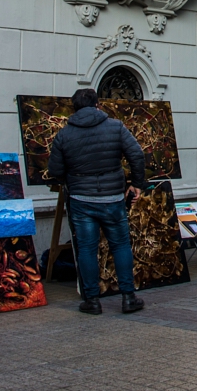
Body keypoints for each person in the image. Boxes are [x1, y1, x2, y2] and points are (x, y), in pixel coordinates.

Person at [47, 88, 146, 314]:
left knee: (87, 249)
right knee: (120, 245)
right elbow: (137, 155)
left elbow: (55, 169)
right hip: (112, 198)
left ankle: (92, 301)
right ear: (98, 105)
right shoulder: (116, 127)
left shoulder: (64, 135)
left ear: (75, 108)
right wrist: (136, 184)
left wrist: (72, 179)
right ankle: (128, 297)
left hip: (81, 200)